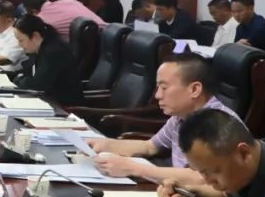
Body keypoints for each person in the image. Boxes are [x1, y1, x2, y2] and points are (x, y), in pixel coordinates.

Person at [90, 54, 236, 182]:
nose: (157, 95)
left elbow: (203, 179)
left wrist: (132, 168)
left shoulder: (219, 123)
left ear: (194, 89)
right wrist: (105, 144)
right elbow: (150, 146)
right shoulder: (181, 115)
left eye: (164, 88)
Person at [11, 14, 84, 106]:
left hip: (63, 107)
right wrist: (11, 76)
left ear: (35, 36)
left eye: (21, 40)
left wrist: (18, 79)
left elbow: (37, 85)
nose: (19, 45)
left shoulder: (53, 52)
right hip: (48, 102)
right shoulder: (41, 47)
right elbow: (28, 71)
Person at [23, 0, 105, 41]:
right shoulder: (68, 1)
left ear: (34, 11)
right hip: (109, 31)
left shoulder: (42, 20)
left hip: (98, 43)